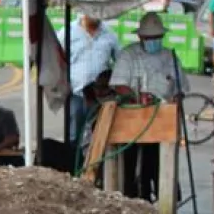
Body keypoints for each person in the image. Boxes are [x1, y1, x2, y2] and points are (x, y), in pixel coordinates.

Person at [108, 12, 184, 202]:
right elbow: (119, 84)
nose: (153, 41)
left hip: (162, 120)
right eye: (150, 38)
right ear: (140, 37)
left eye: (157, 38)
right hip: (133, 119)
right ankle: (131, 196)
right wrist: (135, 95)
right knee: (130, 161)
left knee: (157, 161)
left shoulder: (170, 57)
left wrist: (176, 102)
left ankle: (162, 198)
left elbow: (180, 89)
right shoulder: (128, 55)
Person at [61, 12, 120, 143]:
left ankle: (96, 163)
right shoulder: (67, 32)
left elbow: (120, 62)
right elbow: (58, 61)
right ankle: (74, 163)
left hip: (101, 97)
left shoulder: (110, 34)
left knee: (101, 134)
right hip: (76, 94)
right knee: (73, 135)